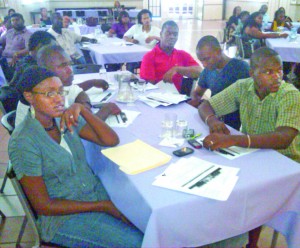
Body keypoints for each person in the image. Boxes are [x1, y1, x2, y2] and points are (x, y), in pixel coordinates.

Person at [9, 66, 144, 247]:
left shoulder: (64, 118)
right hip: (63, 218)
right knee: (137, 243)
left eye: (60, 91)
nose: (58, 99)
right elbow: (43, 206)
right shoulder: (24, 141)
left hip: (94, 195)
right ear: (29, 97)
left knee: (147, 224)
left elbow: (110, 140)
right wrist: (103, 206)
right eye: (49, 94)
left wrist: (83, 110)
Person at [198, 47, 300, 163]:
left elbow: (283, 138)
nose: (277, 77)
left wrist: (234, 140)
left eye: (279, 70)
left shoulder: (290, 94)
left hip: (285, 161)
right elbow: (205, 106)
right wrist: (213, 121)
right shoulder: (243, 87)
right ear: (252, 73)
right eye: (268, 72)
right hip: (252, 154)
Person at [15, 45, 120, 126]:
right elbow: (87, 126)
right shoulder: (41, 98)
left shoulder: (52, 87)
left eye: (69, 64)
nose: (70, 70)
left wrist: (84, 103)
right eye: (62, 66)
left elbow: (75, 90)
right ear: (44, 69)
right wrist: (108, 108)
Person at [189, 35, 250, 130]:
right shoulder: (208, 70)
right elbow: (197, 93)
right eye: (201, 61)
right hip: (212, 120)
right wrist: (197, 101)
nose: (204, 64)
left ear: (218, 51)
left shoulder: (241, 69)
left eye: (207, 59)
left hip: (233, 126)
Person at [140, 20, 201, 92]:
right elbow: (148, 87)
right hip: (155, 98)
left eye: (175, 34)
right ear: (161, 34)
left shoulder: (182, 55)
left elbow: (200, 71)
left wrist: (177, 69)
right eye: (168, 33)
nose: (172, 37)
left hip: (178, 99)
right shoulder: (149, 57)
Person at [0, 13, 32, 81]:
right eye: (12, 20)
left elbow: (29, 49)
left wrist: (17, 53)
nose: (14, 22)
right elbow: (1, 41)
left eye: (17, 20)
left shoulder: (28, 34)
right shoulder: (9, 32)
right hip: (3, 59)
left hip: (16, 62)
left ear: (23, 21)